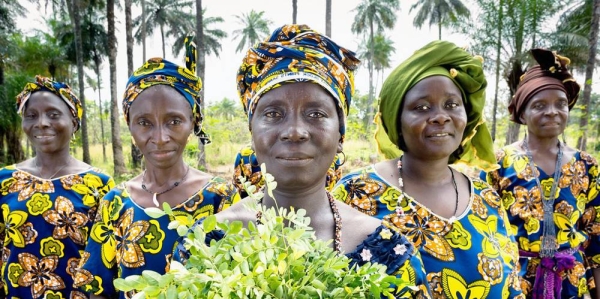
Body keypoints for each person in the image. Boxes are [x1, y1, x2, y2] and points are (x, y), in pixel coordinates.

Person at [177, 24, 431, 298]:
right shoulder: (205, 243)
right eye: (273, 113)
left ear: (340, 133)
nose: (295, 131)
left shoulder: (389, 254)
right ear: (252, 131)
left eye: (316, 114)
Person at [332, 40, 524, 298]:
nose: (440, 116)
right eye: (421, 107)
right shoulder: (358, 192)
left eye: (452, 105)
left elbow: (512, 285)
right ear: (397, 120)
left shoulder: (486, 197)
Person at [74, 37, 240, 299]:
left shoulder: (222, 197)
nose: (160, 137)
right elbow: (94, 290)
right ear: (130, 126)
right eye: (144, 122)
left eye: (174, 121)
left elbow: (239, 283)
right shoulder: (115, 204)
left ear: (193, 123)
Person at [481, 48, 600, 299]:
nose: (552, 112)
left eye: (561, 104)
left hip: (571, 281)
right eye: (539, 105)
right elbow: (486, 231)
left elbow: (597, 236)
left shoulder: (587, 164)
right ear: (522, 114)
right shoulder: (497, 163)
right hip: (514, 280)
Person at [0, 76, 115, 298]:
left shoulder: (98, 183)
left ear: (74, 123)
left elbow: (104, 261)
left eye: (53, 115)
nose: (41, 123)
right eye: (31, 116)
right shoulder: (5, 180)